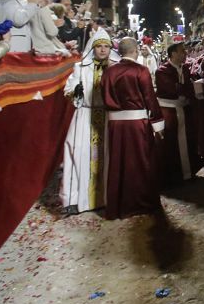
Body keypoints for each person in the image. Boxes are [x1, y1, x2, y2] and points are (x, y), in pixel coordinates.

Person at [101, 37, 165, 219]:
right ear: (135, 51)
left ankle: (119, 204)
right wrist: (158, 123)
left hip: (116, 125)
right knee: (141, 162)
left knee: (119, 162)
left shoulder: (109, 72)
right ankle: (142, 203)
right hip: (137, 124)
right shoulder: (141, 71)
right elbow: (150, 99)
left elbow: (104, 96)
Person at [61, 29, 115, 214]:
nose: (102, 50)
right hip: (85, 115)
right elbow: (68, 88)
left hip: (107, 117)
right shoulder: (81, 67)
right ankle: (73, 199)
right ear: (93, 48)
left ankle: (107, 196)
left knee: (108, 155)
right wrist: (75, 90)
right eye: (99, 46)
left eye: (106, 47)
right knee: (76, 153)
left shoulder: (115, 67)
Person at [156, 41, 198, 187]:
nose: (185, 53)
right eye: (182, 51)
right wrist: (186, 88)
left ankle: (188, 172)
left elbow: (186, 87)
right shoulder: (162, 71)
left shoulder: (185, 69)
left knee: (187, 140)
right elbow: (173, 89)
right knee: (171, 144)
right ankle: (173, 176)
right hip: (170, 111)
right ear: (173, 54)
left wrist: (186, 89)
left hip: (184, 109)